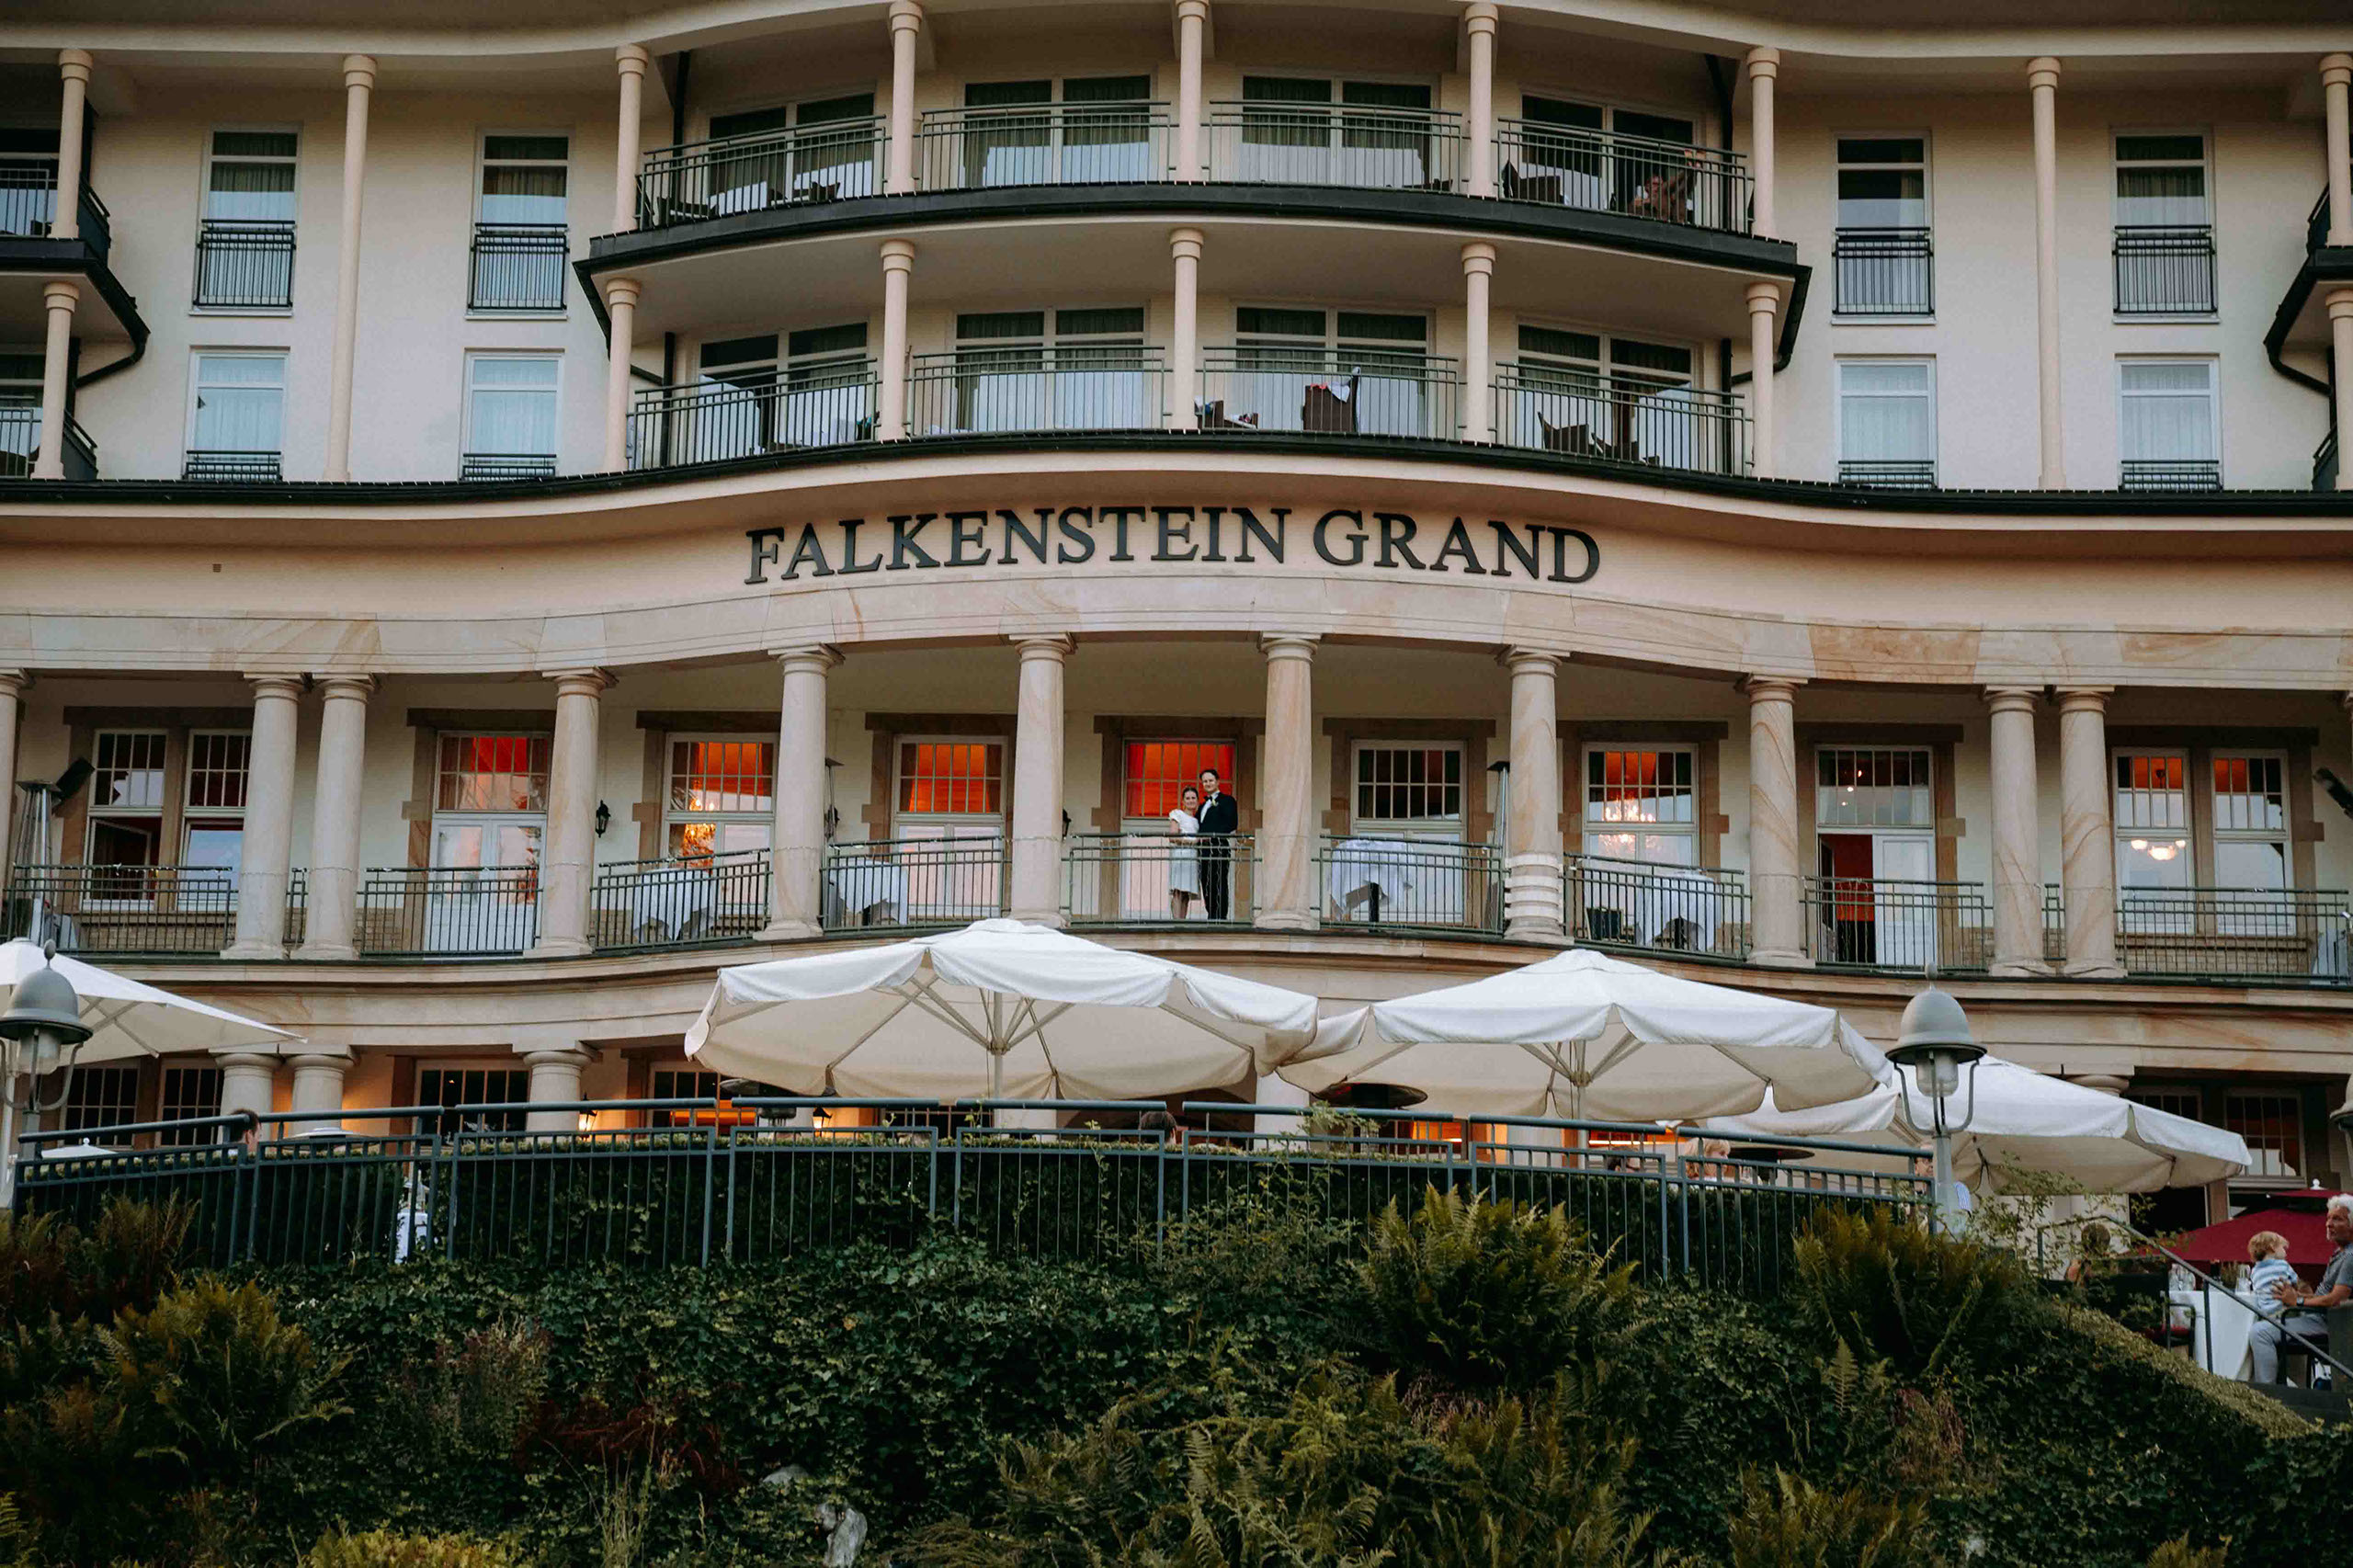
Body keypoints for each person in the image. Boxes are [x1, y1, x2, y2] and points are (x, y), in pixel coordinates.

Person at [2249, 1196, 2353, 1383]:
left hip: (2331, 1323)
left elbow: (2336, 1300)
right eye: (2328, 1218)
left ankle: (2267, 1395)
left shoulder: (2351, 1256)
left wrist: (2297, 1301)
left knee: (2260, 1332)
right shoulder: (2340, 1254)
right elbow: (2324, 1296)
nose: (2329, 1224)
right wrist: (2298, 1295)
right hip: (2317, 1317)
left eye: (2337, 1219)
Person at [1195, 767, 1239, 922]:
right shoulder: (1201, 806)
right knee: (1206, 883)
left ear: (1217, 782)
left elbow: (1231, 823)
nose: (1207, 783)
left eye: (1210, 780)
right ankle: (1211, 915)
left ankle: (1220, 917)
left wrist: (1211, 835)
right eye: (1205, 781)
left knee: (1219, 881)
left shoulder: (1227, 801)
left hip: (1219, 847)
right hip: (1203, 850)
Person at [1165, 784, 1202, 920]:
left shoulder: (1197, 821)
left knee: (1186, 892)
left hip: (1192, 857)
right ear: (1183, 801)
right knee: (1178, 890)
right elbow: (1173, 837)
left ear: (1197, 800)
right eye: (1188, 798)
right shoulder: (1177, 814)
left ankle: (1182, 921)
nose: (1191, 800)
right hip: (1181, 855)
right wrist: (1192, 842)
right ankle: (1176, 921)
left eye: (1193, 798)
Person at [2246, 1230, 2299, 1304]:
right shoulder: (2283, 1265)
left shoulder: (2254, 1270)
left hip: (2263, 1309)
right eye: (2283, 1248)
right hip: (2283, 1307)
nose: (2285, 1252)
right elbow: (2296, 1281)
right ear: (2272, 1247)